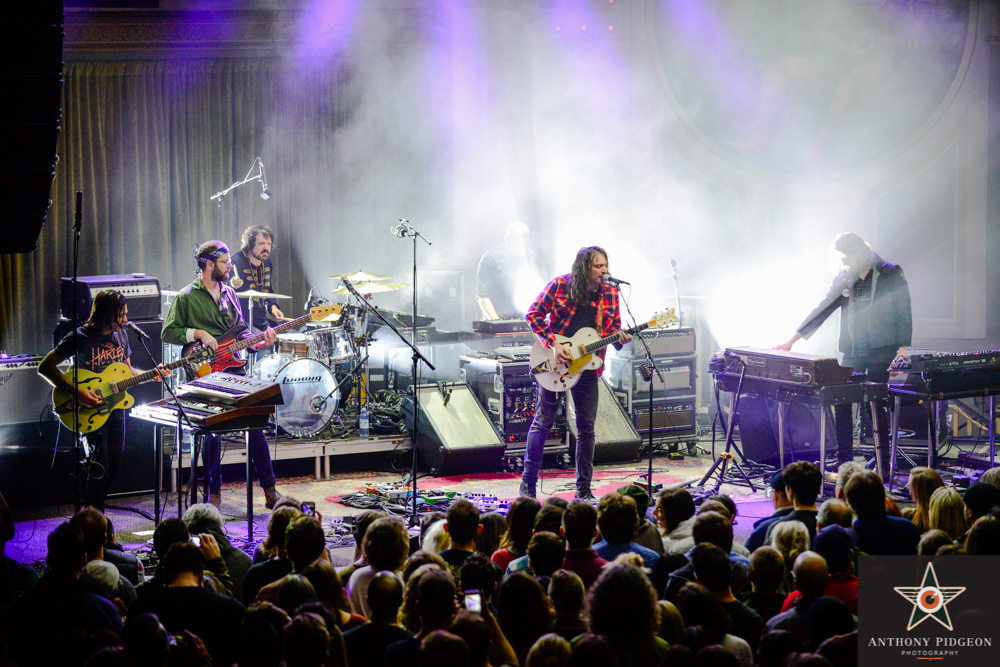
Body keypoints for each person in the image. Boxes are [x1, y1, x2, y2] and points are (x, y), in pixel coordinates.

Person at [161, 240, 282, 509]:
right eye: (226, 262)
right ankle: (213, 493)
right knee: (212, 433)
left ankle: (271, 491)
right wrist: (198, 334)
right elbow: (168, 332)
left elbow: (240, 331)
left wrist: (257, 342)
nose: (230, 266)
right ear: (208, 264)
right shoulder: (186, 297)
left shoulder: (229, 294)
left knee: (257, 425)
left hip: (233, 368)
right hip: (204, 372)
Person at [776, 232, 912, 471]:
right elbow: (823, 308)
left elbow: (904, 309)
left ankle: (883, 461)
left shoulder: (890, 273)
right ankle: (844, 461)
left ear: (859, 251)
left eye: (847, 257)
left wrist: (903, 347)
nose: (844, 262)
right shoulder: (845, 278)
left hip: (882, 350)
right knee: (841, 402)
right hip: (852, 351)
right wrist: (792, 340)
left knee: (876, 403)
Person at [38, 289, 168, 511]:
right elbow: (45, 367)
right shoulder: (80, 337)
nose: (125, 320)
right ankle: (96, 524)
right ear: (106, 314)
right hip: (90, 412)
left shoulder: (121, 336)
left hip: (116, 410)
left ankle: (92, 514)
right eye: (121, 315)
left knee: (114, 468)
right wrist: (78, 392)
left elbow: (128, 373)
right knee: (99, 468)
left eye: (125, 314)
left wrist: (152, 374)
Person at [522, 245, 632, 500]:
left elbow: (613, 329)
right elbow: (533, 314)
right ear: (584, 268)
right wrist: (553, 343)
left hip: (588, 367)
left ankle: (583, 489)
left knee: (586, 429)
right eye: (598, 266)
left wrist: (619, 338)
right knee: (543, 422)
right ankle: (527, 485)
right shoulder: (560, 285)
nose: (604, 271)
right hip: (554, 363)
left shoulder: (611, 293)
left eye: (605, 266)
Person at [476, 220, 545, 321]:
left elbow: (540, 292)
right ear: (507, 239)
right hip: (496, 320)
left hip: (524, 320)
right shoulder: (490, 258)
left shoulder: (532, 258)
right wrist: (497, 322)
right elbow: (482, 296)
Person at [230, 225, 284, 333]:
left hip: (262, 322)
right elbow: (222, 291)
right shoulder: (235, 262)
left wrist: (273, 307)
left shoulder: (267, 263)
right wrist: (232, 284)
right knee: (264, 344)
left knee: (290, 336)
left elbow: (268, 291)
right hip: (240, 323)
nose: (266, 248)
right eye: (261, 244)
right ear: (249, 244)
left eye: (268, 244)